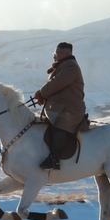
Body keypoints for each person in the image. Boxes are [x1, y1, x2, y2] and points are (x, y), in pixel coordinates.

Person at [34, 42, 87, 170]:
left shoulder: (70, 66)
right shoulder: (63, 65)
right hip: (60, 108)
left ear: (66, 54)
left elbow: (56, 84)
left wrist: (42, 93)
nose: (54, 56)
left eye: (56, 53)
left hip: (70, 110)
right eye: (54, 53)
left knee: (61, 127)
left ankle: (54, 159)